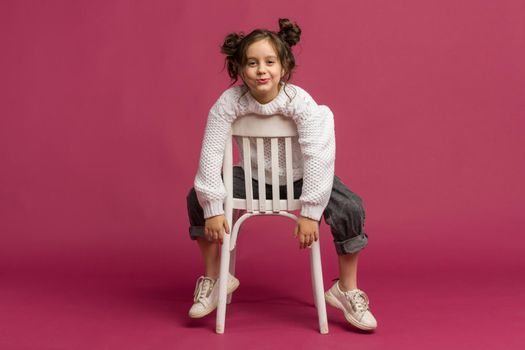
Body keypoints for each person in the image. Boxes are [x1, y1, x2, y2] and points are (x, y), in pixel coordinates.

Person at [186, 18, 377, 331]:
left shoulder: (299, 102)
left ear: (284, 66)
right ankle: (216, 277)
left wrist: (310, 212)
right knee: (196, 196)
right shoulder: (228, 103)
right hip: (253, 179)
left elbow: (318, 154)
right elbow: (211, 152)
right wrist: (211, 207)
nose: (262, 70)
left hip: (303, 179)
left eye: (270, 62)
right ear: (239, 68)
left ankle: (346, 288)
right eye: (252, 63)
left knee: (350, 206)